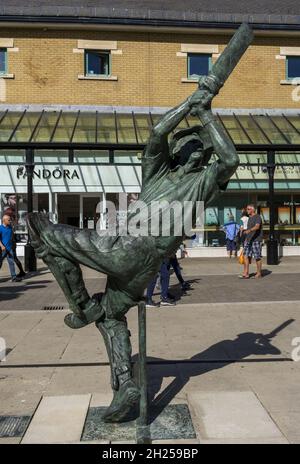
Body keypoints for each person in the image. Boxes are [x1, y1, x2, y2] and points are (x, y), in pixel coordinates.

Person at [27, 75, 239, 422]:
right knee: (111, 315)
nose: (192, 148)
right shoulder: (159, 172)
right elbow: (158, 133)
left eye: (196, 145)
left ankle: (81, 307)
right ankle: (125, 383)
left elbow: (229, 160)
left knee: (41, 229)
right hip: (145, 266)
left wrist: (205, 114)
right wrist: (192, 104)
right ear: (180, 150)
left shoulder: (201, 182)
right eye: (189, 143)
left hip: (128, 248)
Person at [240, 204, 263, 279]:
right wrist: (245, 232)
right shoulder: (249, 218)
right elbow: (249, 228)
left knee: (257, 257)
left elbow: (257, 227)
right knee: (245, 256)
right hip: (248, 240)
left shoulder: (257, 217)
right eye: (247, 209)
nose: (247, 210)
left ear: (253, 210)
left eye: (248, 209)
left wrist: (249, 230)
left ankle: (259, 273)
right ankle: (246, 273)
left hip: (256, 240)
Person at [0, 215, 21, 282]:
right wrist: (2, 246)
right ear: (4, 220)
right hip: (2, 249)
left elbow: (11, 237)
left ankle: (14, 277)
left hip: (10, 248)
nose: (10, 221)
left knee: (11, 263)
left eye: (10, 220)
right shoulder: (0, 228)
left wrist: (13, 245)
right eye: (8, 220)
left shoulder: (10, 227)